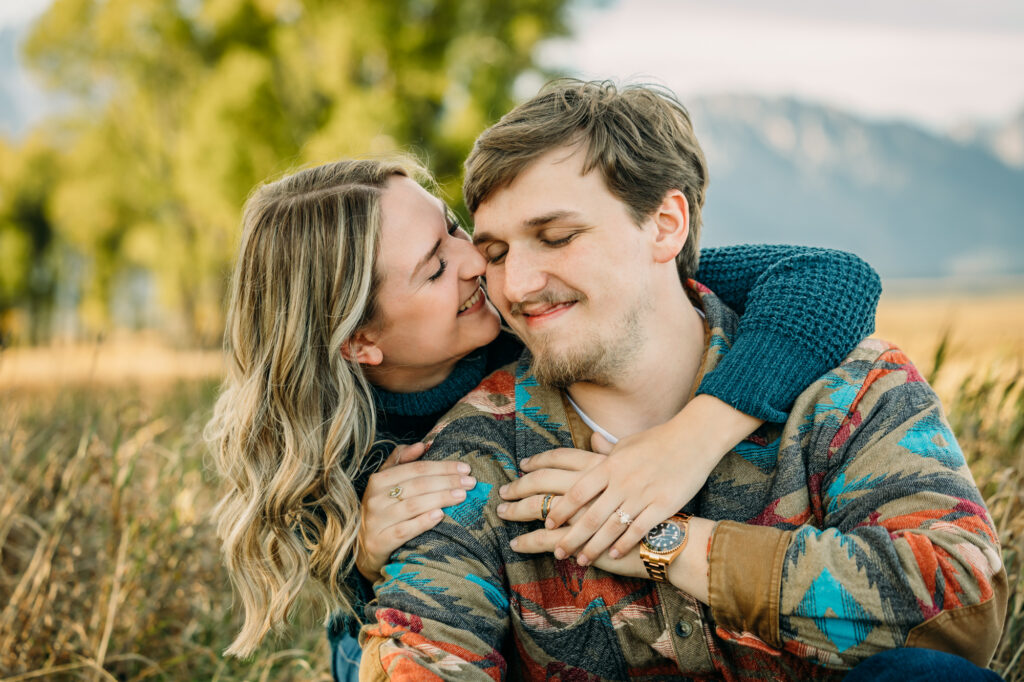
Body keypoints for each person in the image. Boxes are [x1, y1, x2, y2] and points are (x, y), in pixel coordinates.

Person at [358, 81, 1007, 680]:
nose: (517, 285)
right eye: (495, 253)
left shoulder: (846, 388)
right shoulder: (469, 454)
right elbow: (426, 653)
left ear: (665, 225)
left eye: (556, 236)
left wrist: (666, 543)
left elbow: (961, 611)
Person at [205, 161, 881, 676]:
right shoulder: (336, 451)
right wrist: (361, 555)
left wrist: (692, 439)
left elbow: (829, 278)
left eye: (453, 227)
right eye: (437, 268)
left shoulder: (536, 309)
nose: (481, 262)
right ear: (359, 342)